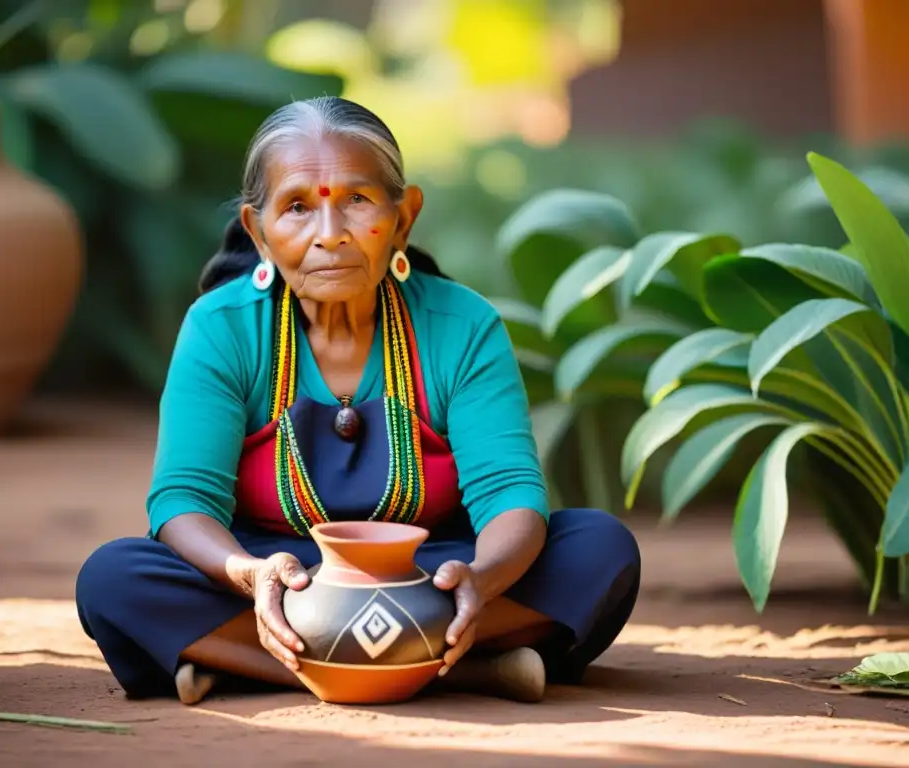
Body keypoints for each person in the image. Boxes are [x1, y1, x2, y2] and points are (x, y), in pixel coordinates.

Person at [75, 96, 640, 706]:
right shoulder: (222, 327)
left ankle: (244, 662)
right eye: (296, 208)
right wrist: (249, 575)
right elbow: (184, 501)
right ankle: (470, 670)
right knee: (114, 579)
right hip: (281, 580)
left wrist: (482, 577)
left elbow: (509, 493)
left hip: (430, 579)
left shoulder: (461, 323)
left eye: (358, 201)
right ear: (257, 231)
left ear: (403, 219)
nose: (329, 234)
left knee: (598, 552)